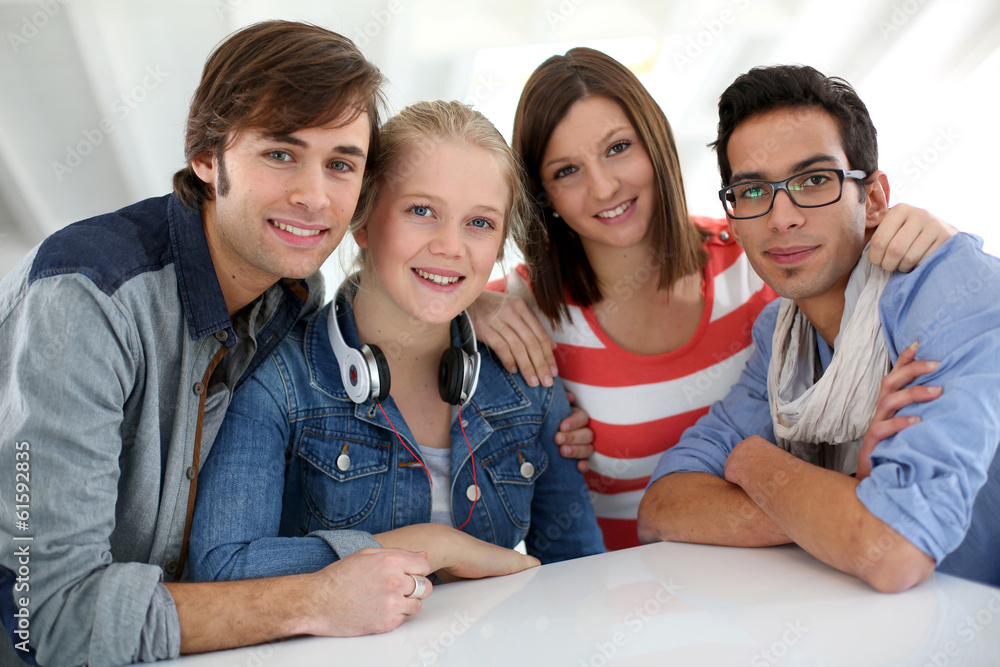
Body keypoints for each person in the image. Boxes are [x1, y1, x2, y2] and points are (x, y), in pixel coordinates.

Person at [0, 21, 431, 666]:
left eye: (340, 164)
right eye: (280, 153)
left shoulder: (293, 293)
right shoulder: (88, 299)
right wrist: (313, 600)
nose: (314, 196)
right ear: (206, 158)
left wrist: (474, 303)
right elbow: (48, 615)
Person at [470, 47, 956, 550]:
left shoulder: (760, 255)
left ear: (656, 144)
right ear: (541, 194)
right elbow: (412, 302)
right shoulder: (524, 307)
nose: (604, 186)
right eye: (566, 171)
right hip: (618, 598)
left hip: (785, 578)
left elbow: (860, 260)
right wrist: (469, 306)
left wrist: (943, 236)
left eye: (618, 148)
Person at [189, 100, 604, 588]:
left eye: (480, 223)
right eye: (421, 211)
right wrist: (432, 547)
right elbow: (224, 569)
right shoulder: (277, 382)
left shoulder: (526, 379)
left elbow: (580, 575)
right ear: (361, 220)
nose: (451, 247)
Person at [637, 64, 1000, 591]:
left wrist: (752, 461)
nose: (781, 218)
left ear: (872, 199)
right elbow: (663, 506)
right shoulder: (781, 334)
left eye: (813, 181)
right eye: (754, 191)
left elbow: (893, 551)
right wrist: (849, 495)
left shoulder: (948, 291)